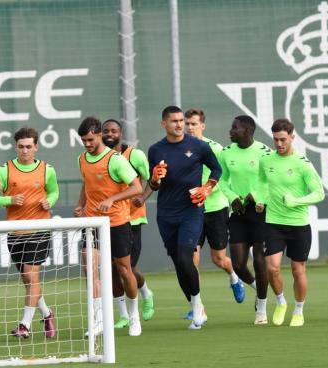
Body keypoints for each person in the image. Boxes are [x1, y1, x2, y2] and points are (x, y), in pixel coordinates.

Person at [148, 106, 222, 330]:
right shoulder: (155, 150)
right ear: (164, 124)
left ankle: (198, 307)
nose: (180, 125)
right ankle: (195, 304)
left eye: (181, 120)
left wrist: (207, 188)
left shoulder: (199, 146)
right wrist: (154, 179)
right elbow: (154, 185)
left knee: (185, 257)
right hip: (166, 214)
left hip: (191, 210)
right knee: (178, 264)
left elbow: (216, 170)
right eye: (174, 121)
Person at [0, 127, 58, 339]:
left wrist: (49, 201)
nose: (25, 151)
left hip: (40, 231)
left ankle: (25, 325)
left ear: (36, 147)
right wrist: (8, 200)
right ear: (15, 147)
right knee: (29, 280)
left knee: (30, 274)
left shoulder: (47, 170)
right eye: (21, 147)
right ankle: (46, 313)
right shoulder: (5, 170)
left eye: (29, 147)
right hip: (15, 233)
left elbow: (54, 191)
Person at [74, 117, 143, 337]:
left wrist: (113, 199)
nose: (87, 144)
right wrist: (80, 205)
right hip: (93, 223)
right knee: (90, 268)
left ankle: (133, 316)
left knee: (124, 271)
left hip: (117, 223)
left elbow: (136, 188)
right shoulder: (82, 159)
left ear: (99, 135)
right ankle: (99, 319)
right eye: (83, 140)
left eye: (90, 139)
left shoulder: (115, 160)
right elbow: (87, 182)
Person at [258, 118, 325, 327]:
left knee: (298, 270)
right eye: (276, 139)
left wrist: (296, 201)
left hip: (298, 224)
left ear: (292, 138)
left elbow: (319, 193)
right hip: (273, 222)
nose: (279, 144)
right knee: (272, 268)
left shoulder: (303, 164)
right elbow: (261, 182)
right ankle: (280, 302)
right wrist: (261, 199)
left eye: (283, 140)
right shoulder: (266, 160)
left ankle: (298, 310)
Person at [183, 109, 245, 307]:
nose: (190, 127)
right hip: (192, 212)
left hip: (215, 209)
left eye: (194, 124)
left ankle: (234, 277)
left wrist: (207, 189)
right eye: (188, 124)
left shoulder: (216, 148)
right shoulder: (180, 148)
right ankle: (197, 306)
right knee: (191, 261)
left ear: (203, 125)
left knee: (219, 258)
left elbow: (224, 177)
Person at [101, 119, 155, 327]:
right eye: (106, 131)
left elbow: (152, 180)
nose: (110, 134)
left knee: (126, 268)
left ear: (121, 133)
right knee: (110, 269)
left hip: (132, 218)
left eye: (114, 131)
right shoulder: (99, 158)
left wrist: (142, 199)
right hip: (108, 220)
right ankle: (123, 314)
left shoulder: (135, 155)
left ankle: (145, 292)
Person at [219, 115, 271, 324]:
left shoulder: (263, 151)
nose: (230, 131)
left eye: (235, 128)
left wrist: (255, 195)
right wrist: (232, 198)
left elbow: (270, 180)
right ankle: (258, 289)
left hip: (260, 211)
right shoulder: (226, 152)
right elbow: (221, 180)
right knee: (239, 265)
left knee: (259, 259)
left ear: (247, 131)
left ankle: (262, 308)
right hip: (238, 213)